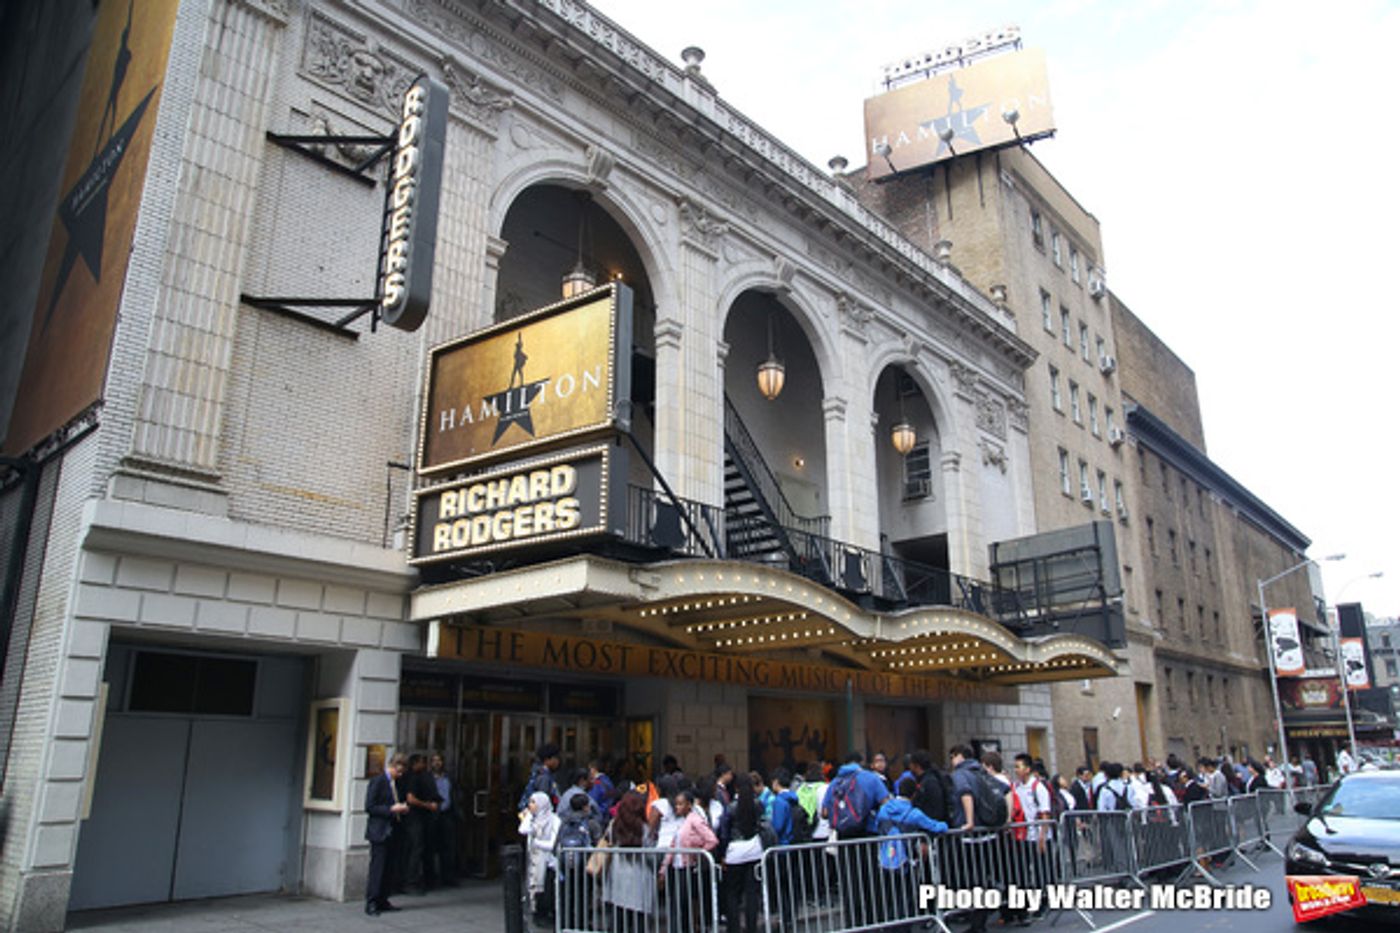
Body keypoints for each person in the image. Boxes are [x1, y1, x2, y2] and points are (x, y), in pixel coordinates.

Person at [823, 752, 892, 929]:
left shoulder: (835, 782)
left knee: (849, 880)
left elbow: (824, 812)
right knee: (870, 879)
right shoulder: (870, 778)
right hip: (867, 834)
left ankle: (854, 922)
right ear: (861, 763)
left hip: (844, 837)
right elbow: (886, 802)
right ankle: (873, 921)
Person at [875, 777, 949, 924]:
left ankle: (888, 925)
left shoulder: (884, 810)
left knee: (889, 895)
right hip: (906, 859)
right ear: (913, 794)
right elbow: (936, 826)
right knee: (906, 895)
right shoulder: (914, 814)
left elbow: (877, 826)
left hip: (885, 858)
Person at [948, 745, 1001, 933]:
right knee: (983, 878)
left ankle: (977, 924)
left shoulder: (961, 774)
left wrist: (969, 822)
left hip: (972, 837)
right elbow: (1004, 791)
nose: (952, 760)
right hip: (988, 832)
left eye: (953, 756)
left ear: (960, 756)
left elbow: (965, 794)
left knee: (973, 880)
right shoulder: (982, 771)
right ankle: (981, 921)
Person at [663, 788, 719, 933]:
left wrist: (698, 853)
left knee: (682, 903)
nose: (677, 807)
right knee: (677, 903)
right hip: (676, 866)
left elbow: (711, 840)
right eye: (676, 804)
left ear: (689, 804)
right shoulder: (682, 821)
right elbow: (673, 844)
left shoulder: (695, 820)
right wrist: (663, 867)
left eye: (681, 804)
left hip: (687, 866)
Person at [718, 773, 764, 933]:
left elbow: (724, 831)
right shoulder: (757, 804)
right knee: (752, 894)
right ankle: (752, 927)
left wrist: (722, 853)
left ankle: (734, 928)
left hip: (735, 852)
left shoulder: (731, 807)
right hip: (754, 849)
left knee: (732, 894)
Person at [365, 754, 410, 916]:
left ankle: (383, 899)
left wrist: (403, 808)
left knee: (390, 867)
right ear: (392, 766)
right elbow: (370, 807)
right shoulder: (377, 781)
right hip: (380, 831)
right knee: (378, 867)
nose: (400, 775)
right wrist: (391, 809)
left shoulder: (398, 783)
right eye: (398, 771)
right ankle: (372, 902)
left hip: (394, 830)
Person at [604, 791, 655, 933]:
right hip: (640, 878)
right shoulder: (644, 829)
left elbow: (609, 841)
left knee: (618, 921)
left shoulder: (614, 825)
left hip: (617, 879)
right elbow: (650, 853)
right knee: (639, 923)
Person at [554, 792, 602, 929]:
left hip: (565, 865)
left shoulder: (564, 822)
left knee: (566, 895)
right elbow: (598, 842)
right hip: (584, 864)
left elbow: (557, 843)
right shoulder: (591, 823)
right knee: (583, 896)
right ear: (585, 807)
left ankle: (565, 924)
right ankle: (582, 924)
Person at [402, 754, 441, 895]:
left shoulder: (423, 776)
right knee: (416, 848)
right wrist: (428, 805)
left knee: (423, 847)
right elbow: (410, 799)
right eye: (422, 762)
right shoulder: (412, 777)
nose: (424, 765)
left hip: (423, 818)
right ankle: (410, 881)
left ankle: (426, 878)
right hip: (414, 818)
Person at [520, 791, 561, 923]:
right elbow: (522, 830)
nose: (530, 805)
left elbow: (552, 843)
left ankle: (548, 913)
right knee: (535, 885)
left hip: (548, 861)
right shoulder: (533, 819)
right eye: (530, 802)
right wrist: (528, 817)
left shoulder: (554, 820)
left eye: (533, 802)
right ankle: (537, 912)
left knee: (547, 887)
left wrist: (536, 843)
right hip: (535, 860)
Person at [428, 753, 457, 887]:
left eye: (439, 760)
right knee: (431, 847)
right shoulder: (427, 778)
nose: (437, 763)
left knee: (448, 847)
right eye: (435, 761)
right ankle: (431, 878)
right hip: (432, 815)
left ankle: (448, 877)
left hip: (447, 814)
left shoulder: (448, 778)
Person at [519, 743, 561, 811]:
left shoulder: (538, 773)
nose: (557, 761)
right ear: (547, 760)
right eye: (556, 758)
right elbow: (542, 800)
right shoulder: (544, 777)